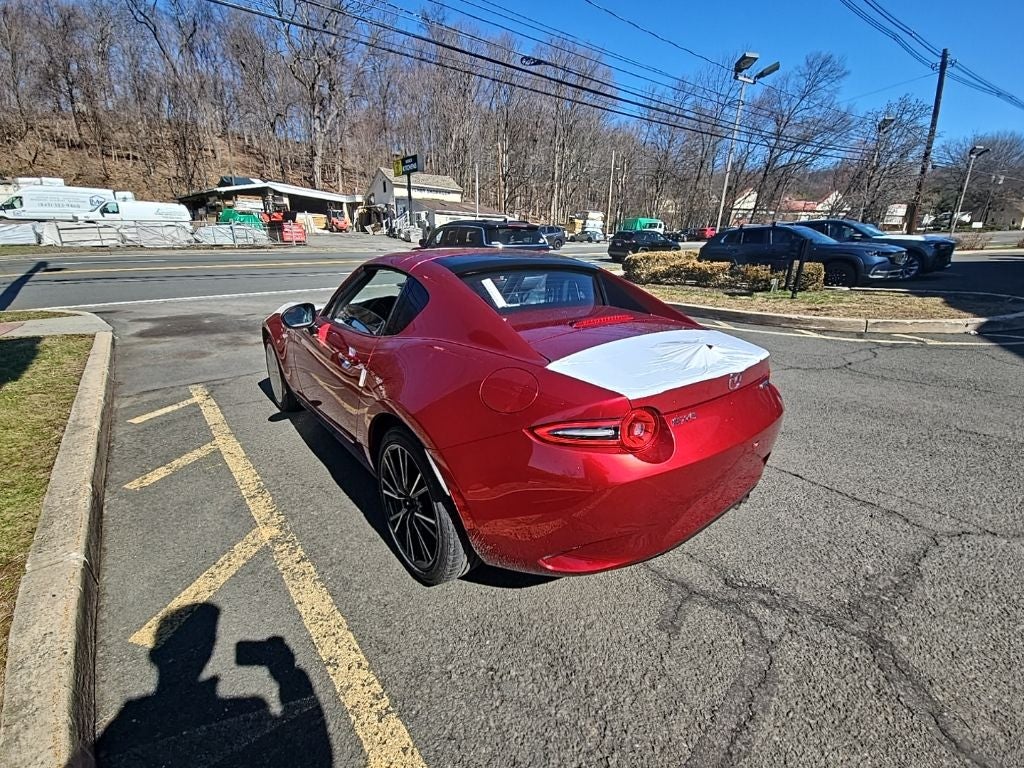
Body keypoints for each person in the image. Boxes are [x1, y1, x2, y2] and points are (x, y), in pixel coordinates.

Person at [96, 603, 332, 767]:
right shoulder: (251, 707)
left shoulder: (127, 720)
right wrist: (286, 672)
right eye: (211, 640)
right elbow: (318, 751)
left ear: (156, 656)